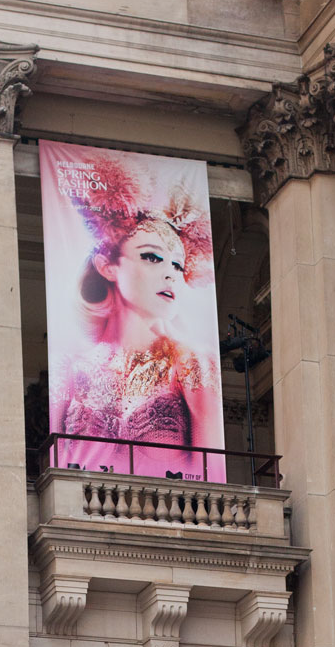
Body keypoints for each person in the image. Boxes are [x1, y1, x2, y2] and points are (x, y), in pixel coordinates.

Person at [47, 150, 223, 480]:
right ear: (107, 266)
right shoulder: (67, 367)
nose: (170, 274)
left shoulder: (191, 363)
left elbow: (212, 473)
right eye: (152, 258)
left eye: (178, 265)